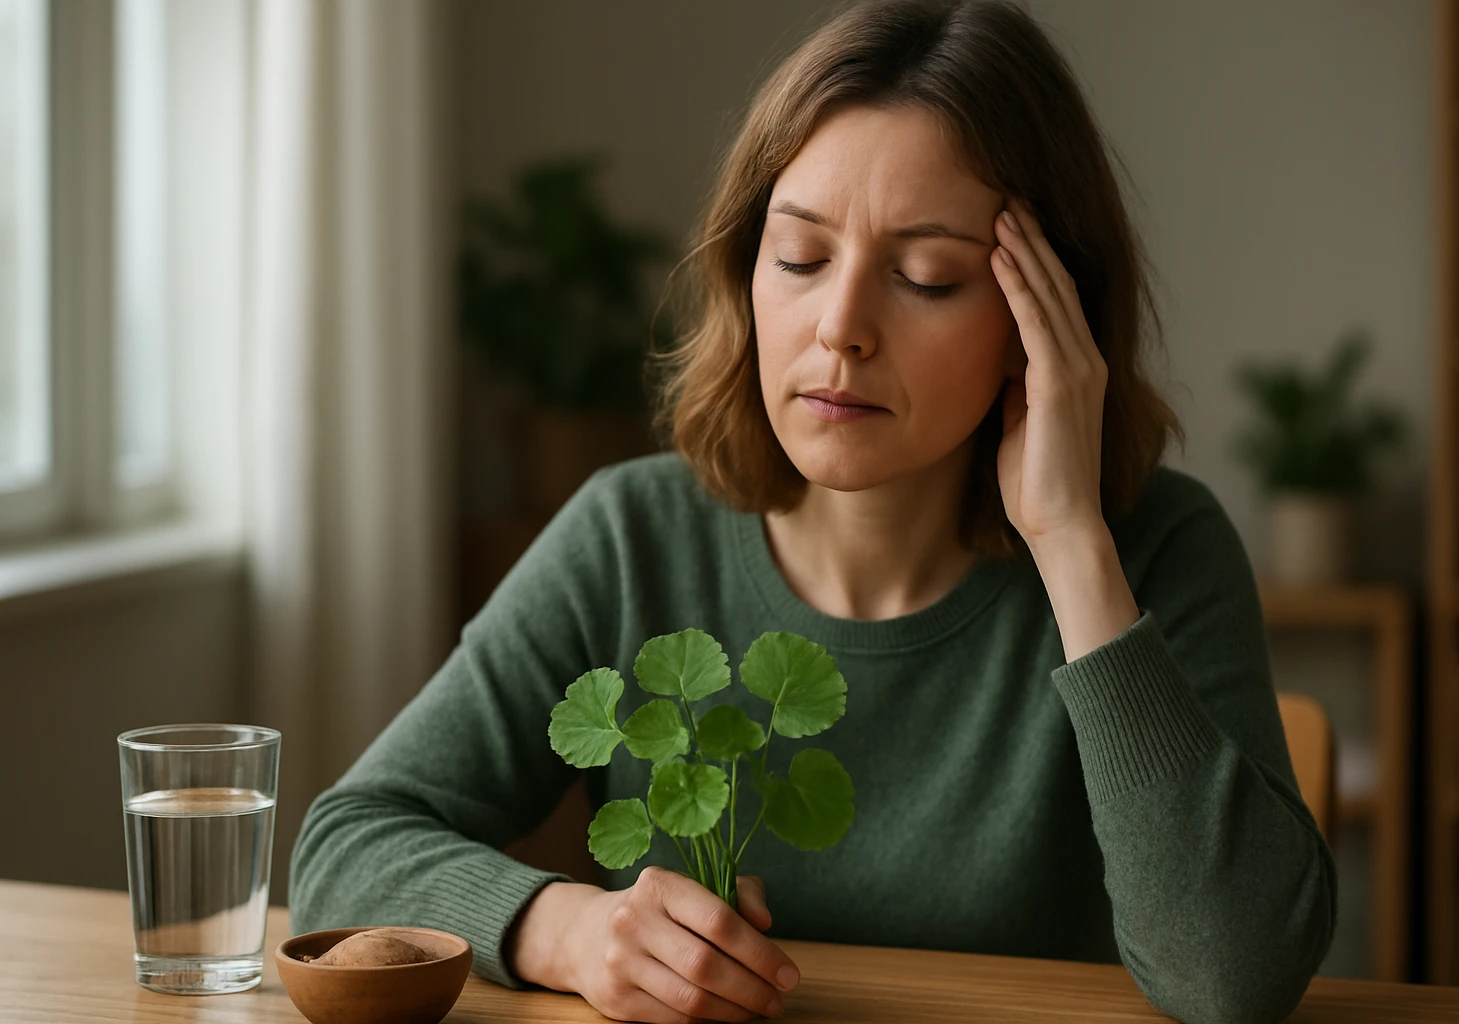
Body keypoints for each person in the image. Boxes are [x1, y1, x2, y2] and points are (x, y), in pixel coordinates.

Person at [289, 2, 1337, 1022]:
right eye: (799, 256)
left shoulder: (1157, 546)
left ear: (1045, 314)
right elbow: (345, 846)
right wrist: (562, 929)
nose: (840, 327)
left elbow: (1231, 979)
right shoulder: (628, 535)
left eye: (927, 277)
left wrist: (1070, 542)